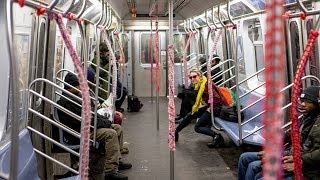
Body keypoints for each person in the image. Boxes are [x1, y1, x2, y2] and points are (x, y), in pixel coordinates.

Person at [57, 73, 131, 180]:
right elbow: (88, 120)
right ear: (72, 87)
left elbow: (90, 116)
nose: (80, 88)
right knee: (111, 133)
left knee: (117, 128)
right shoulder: (68, 102)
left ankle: (116, 162)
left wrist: (106, 122)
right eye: (78, 86)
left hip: (86, 128)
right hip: (80, 133)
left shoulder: (73, 98)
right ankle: (110, 172)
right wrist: (106, 123)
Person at [238, 86, 320, 180]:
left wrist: (298, 161)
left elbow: (313, 152)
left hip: (306, 168)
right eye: (302, 101)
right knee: (245, 158)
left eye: (308, 102)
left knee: (255, 169)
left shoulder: (316, 124)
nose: (303, 104)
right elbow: (291, 134)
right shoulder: (306, 118)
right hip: (293, 156)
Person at [175, 69, 227, 148]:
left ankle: (217, 137)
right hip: (209, 105)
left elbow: (215, 98)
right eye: (190, 77)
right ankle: (176, 131)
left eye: (194, 76)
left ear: (200, 76)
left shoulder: (206, 85)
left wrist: (209, 107)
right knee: (190, 114)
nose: (192, 79)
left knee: (197, 127)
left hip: (215, 108)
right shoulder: (200, 84)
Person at [92, 43, 127, 113]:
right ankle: (116, 107)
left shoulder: (104, 58)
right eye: (106, 52)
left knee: (124, 90)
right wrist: (109, 63)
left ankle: (117, 106)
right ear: (102, 52)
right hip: (103, 82)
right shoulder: (96, 60)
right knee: (121, 91)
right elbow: (100, 71)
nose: (107, 53)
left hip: (109, 79)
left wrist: (112, 60)